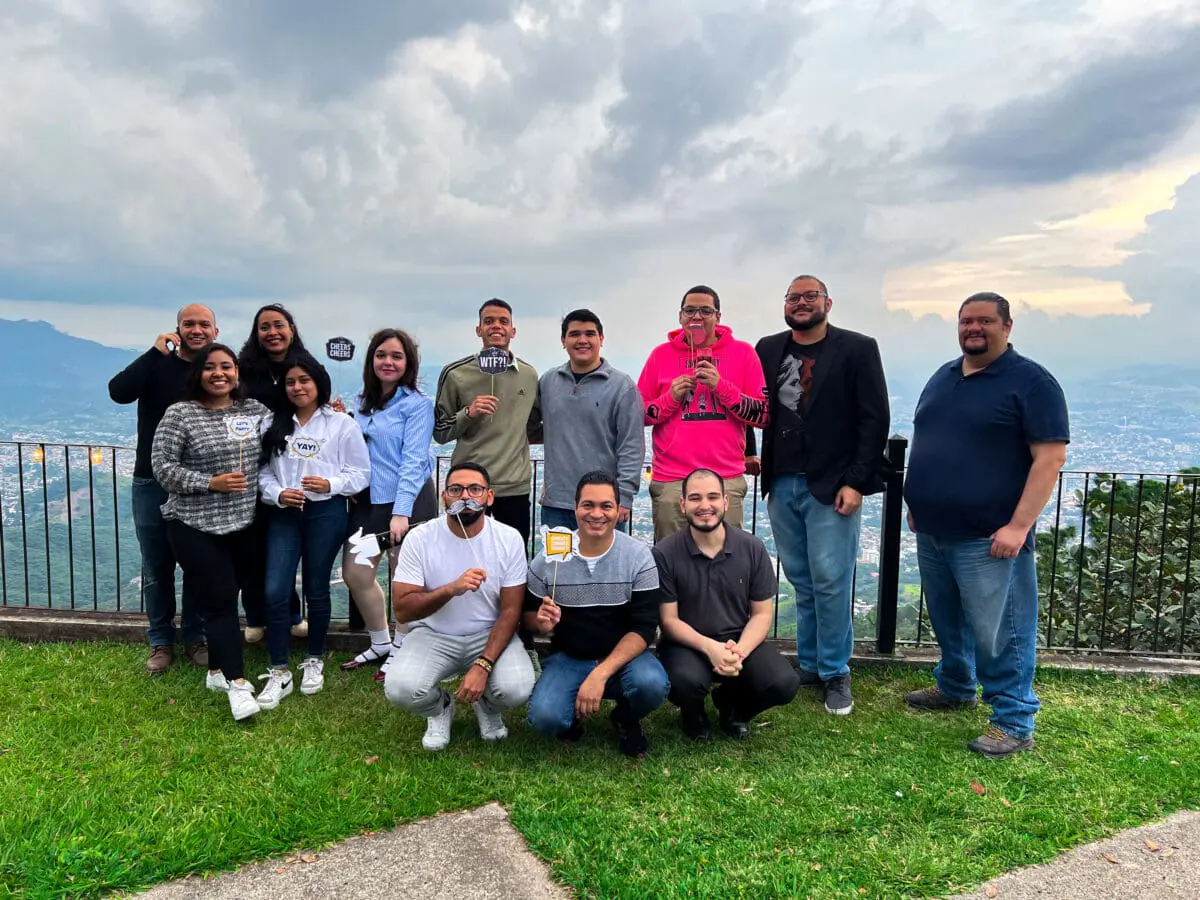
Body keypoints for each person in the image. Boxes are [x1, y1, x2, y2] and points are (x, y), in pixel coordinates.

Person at [903, 292, 1069, 759]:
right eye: (966, 321)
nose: (973, 329)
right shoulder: (945, 375)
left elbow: (1051, 457)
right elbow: (929, 440)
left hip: (991, 536)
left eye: (984, 321)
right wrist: (920, 500)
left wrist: (1018, 526)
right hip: (934, 528)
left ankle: (1014, 719)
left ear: (1008, 326)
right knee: (948, 619)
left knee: (1003, 629)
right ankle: (955, 685)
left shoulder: (1031, 382)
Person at [755, 275, 890, 716]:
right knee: (802, 580)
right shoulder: (768, 348)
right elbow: (756, 408)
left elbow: (874, 420)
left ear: (828, 302)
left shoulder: (856, 347)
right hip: (782, 479)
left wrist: (856, 481)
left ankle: (835, 671)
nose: (801, 303)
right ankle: (811, 663)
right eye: (793, 297)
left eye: (810, 296)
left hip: (832, 484)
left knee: (831, 581)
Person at [151, 343, 270, 721]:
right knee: (219, 599)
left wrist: (332, 414)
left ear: (237, 373)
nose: (219, 373)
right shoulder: (180, 414)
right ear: (197, 374)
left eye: (227, 366)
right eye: (210, 367)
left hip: (245, 523)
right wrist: (209, 483)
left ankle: (216, 671)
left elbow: (290, 432)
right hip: (192, 522)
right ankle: (238, 685)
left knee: (231, 592)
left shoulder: (254, 412)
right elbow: (163, 468)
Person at [383, 462, 535, 751]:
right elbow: (403, 610)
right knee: (401, 689)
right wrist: (450, 590)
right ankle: (441, 707)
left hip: (488, 633)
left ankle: (488, 707)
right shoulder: (421, 537)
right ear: (444, 498)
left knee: (516, 689)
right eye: (456, 489)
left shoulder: (508, 538)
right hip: (433, 634)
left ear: (489, 497)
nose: (465, 496)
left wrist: (484, 663)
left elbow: (511, 611)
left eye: (475, 489)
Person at [525, 471, 669, 758]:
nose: (596, 514)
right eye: (587, 505)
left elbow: (644, 628)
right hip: (570, 656)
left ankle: (626, 718)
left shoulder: (638, 556)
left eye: (606, 506)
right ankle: (573, 716)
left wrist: (599, 675)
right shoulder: (548, 560)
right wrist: (541, 623)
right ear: (575, 508)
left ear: (619, 510)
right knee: (545, 718)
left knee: (652, 685)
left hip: (626, 657)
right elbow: (528, 617)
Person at [108, 304, 217, 674]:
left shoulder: (216, 371)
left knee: (197, 565)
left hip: (199, 485)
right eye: (189, 324)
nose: (197, 330)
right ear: (177, 328)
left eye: (204, 324)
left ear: (215, 332)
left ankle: (196, 637)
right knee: (157, 566)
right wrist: (155, 351)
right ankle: (160, 642)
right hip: (151, 480)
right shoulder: (157, 364)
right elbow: (119, 392)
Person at [257, 351, 370, 704]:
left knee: (317, 588)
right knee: (275, 589)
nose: (297, 387)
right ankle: (278, 669)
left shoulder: (340, 424)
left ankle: (313, 659)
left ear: (319, 383)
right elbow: (261, 473)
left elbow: (360, 473)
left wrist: (331, 485)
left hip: (326, 513)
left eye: (304, 380)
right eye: (290, 382)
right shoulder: (272, 424)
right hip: (284, 514)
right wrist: (277, 493)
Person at [654, 469, 800, 740]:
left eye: (712, 497)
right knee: (683, 680)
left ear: (725, 501)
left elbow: (762, 613)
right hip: (687, 645)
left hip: (738, 640)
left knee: (784, 683)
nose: (705, 506)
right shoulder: (665, 553)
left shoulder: (751, 547)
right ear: (683, 504)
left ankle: (734, 709)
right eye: (695, 498)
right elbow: (669, 621)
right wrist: (710, 648)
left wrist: (739, 651)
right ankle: (693, 712)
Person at [340, 328, 437, 679]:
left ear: (408, 363)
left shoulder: (417, 405)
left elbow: (413, 460)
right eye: (382, 355)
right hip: (368, 503)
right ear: (371, 360)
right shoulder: (362, 400)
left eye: (397, 356)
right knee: (355, 572)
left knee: (405, 578)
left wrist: (401, 512)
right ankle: (380, 641)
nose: (388, 362)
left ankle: (403, 646)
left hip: (408, 502)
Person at [637, 285, 767, 543]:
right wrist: (670, 399)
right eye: (690, 311)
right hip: (672, 480)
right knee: (671, 562)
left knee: (725, 562)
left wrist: (721, 387)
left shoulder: (743, 354)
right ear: (680, 316)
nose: (696, 317)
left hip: (725, 479)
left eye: (705, 311)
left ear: (718, 317)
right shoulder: (660, 355)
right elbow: (640, 414)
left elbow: (762, 415)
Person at [434, 299, 541, 548]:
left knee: (512, 557)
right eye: (489, 321)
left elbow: (533, 425)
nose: (496, 326)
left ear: (513, 331)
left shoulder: (529, 374)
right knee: (461, 553)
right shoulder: (456, 373)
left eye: (503, 321)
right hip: (467, 487)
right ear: (478, 329)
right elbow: (439, 432)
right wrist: (468, 413)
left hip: (514, 486)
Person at [237, 303, 310, 640]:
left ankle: (292, 614)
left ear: (291, 329)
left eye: (278, 325)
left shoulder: (306, 365)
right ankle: (255, 617)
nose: (272, 333)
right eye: (264, 327)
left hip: (290, 470)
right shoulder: (245, 369)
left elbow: (316, 401)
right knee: (251, 547)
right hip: (251, 467)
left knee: (283, 549)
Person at [538, 309, 643, 530]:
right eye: (575, 334)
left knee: (604, 564)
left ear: (601, 339)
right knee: (558, 564)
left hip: (603, 504)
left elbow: (631, 445)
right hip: (557, 503)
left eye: (590, 334)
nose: (582, 340)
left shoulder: (622, 387)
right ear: (563, 341)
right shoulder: (548, 382)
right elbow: (529, 423)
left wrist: (624, 496)